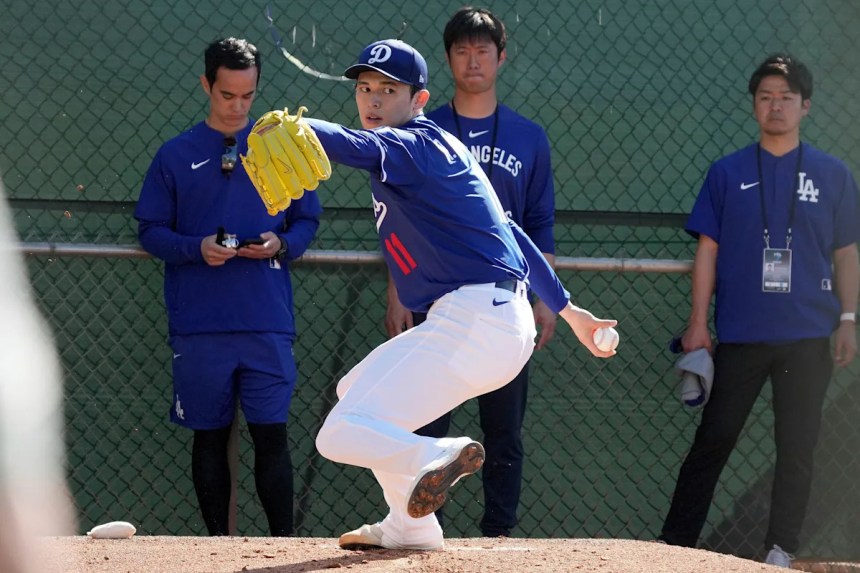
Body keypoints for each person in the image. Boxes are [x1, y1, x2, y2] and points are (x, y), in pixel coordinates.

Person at [298, 38, 616, 551]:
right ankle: (412, 525)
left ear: (419, 100)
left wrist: (296, 127)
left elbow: (358, 147)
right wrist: (569, 310)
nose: (373, 100)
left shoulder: (412, 144)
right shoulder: (444, 147)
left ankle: (437, 454)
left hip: (476, 319)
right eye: (364, 88)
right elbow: (508, 229)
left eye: (389, 89)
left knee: (336, 434)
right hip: (486, 320)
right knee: (355, 394)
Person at [658, 54, 859, 568]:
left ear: (805, 106)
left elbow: (846, 253)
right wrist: (699, 323)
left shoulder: (833, 175)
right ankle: (673, 545)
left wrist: (848, 320)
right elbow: (708, 248)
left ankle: (781, 549)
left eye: (786, 97)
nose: (776, 105)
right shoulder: (727, 172)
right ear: (754, 106)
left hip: (809, 335)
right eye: (766, 96)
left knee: (797, 447)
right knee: (715, 438)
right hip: (743, 333)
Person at [134, 37, 322, 536]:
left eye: (247, 96)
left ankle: (284, 546)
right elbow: (150, 230)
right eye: (227, 95)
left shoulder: (281, 149)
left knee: (271, 436)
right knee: (210, 438)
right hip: (200, 325)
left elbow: (306, 221)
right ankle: (216, 549)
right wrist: (198, 248)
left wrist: (279, 244)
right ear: (206, 85)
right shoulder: (175, 155)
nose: (238, 107)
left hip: (265, 321)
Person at [382, 7, 557, 538]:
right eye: (462, 50)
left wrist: (546, 299)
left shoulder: (528, 137)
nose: (473, 60)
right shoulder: (424, 129)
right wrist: (397, 291)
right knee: (428, 420)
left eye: (483, 50)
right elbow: (401, 216)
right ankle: (421, 529)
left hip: (505, 303)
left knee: (502, 429)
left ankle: (497, 537)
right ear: (448, 59)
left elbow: (538, 221)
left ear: (501, 57)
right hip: (438, 298)